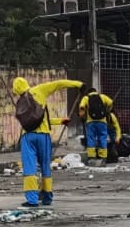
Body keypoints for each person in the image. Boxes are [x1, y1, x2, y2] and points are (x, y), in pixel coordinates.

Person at [11, 74, 83, 207]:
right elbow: (58, 84)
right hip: (43, 137)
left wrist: (60, 121)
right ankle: (47, 197)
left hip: (28, 137)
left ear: (16, 90)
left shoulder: (21, 103)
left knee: (29, 168)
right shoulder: (39, 90)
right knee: (45, 166)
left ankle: (32, 200)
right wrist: (78, 85)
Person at [78, 86, 121, 166]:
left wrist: (82, 115)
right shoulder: (102, 96)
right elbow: (111, 102)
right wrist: (107, 110)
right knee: (102, 138)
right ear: (96, 91)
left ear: (88, 93)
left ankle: (91, 158)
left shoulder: (86, 98)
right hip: (102, 121)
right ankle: (103, 158)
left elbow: (82, 106)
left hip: (90, 122)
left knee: (91, 138)